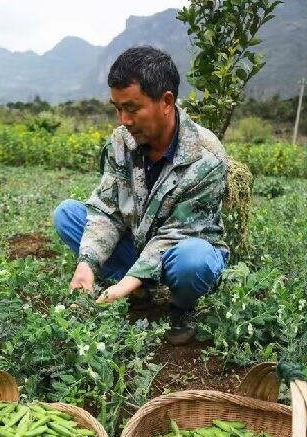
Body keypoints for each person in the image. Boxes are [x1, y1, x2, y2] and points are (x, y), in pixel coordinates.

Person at [53, 46, 229, 345]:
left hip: (180, 251)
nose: (124, 120)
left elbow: (177, 234)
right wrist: (87, 263)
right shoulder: (121, 141)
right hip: (139, 241)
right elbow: (106, 209)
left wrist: (125, 282)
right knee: (68, 214)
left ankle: (180, 305)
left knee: (193, 260)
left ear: (166, 102)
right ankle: (139, 291)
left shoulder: (206, 156)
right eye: (117, 109)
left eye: (132, 109)